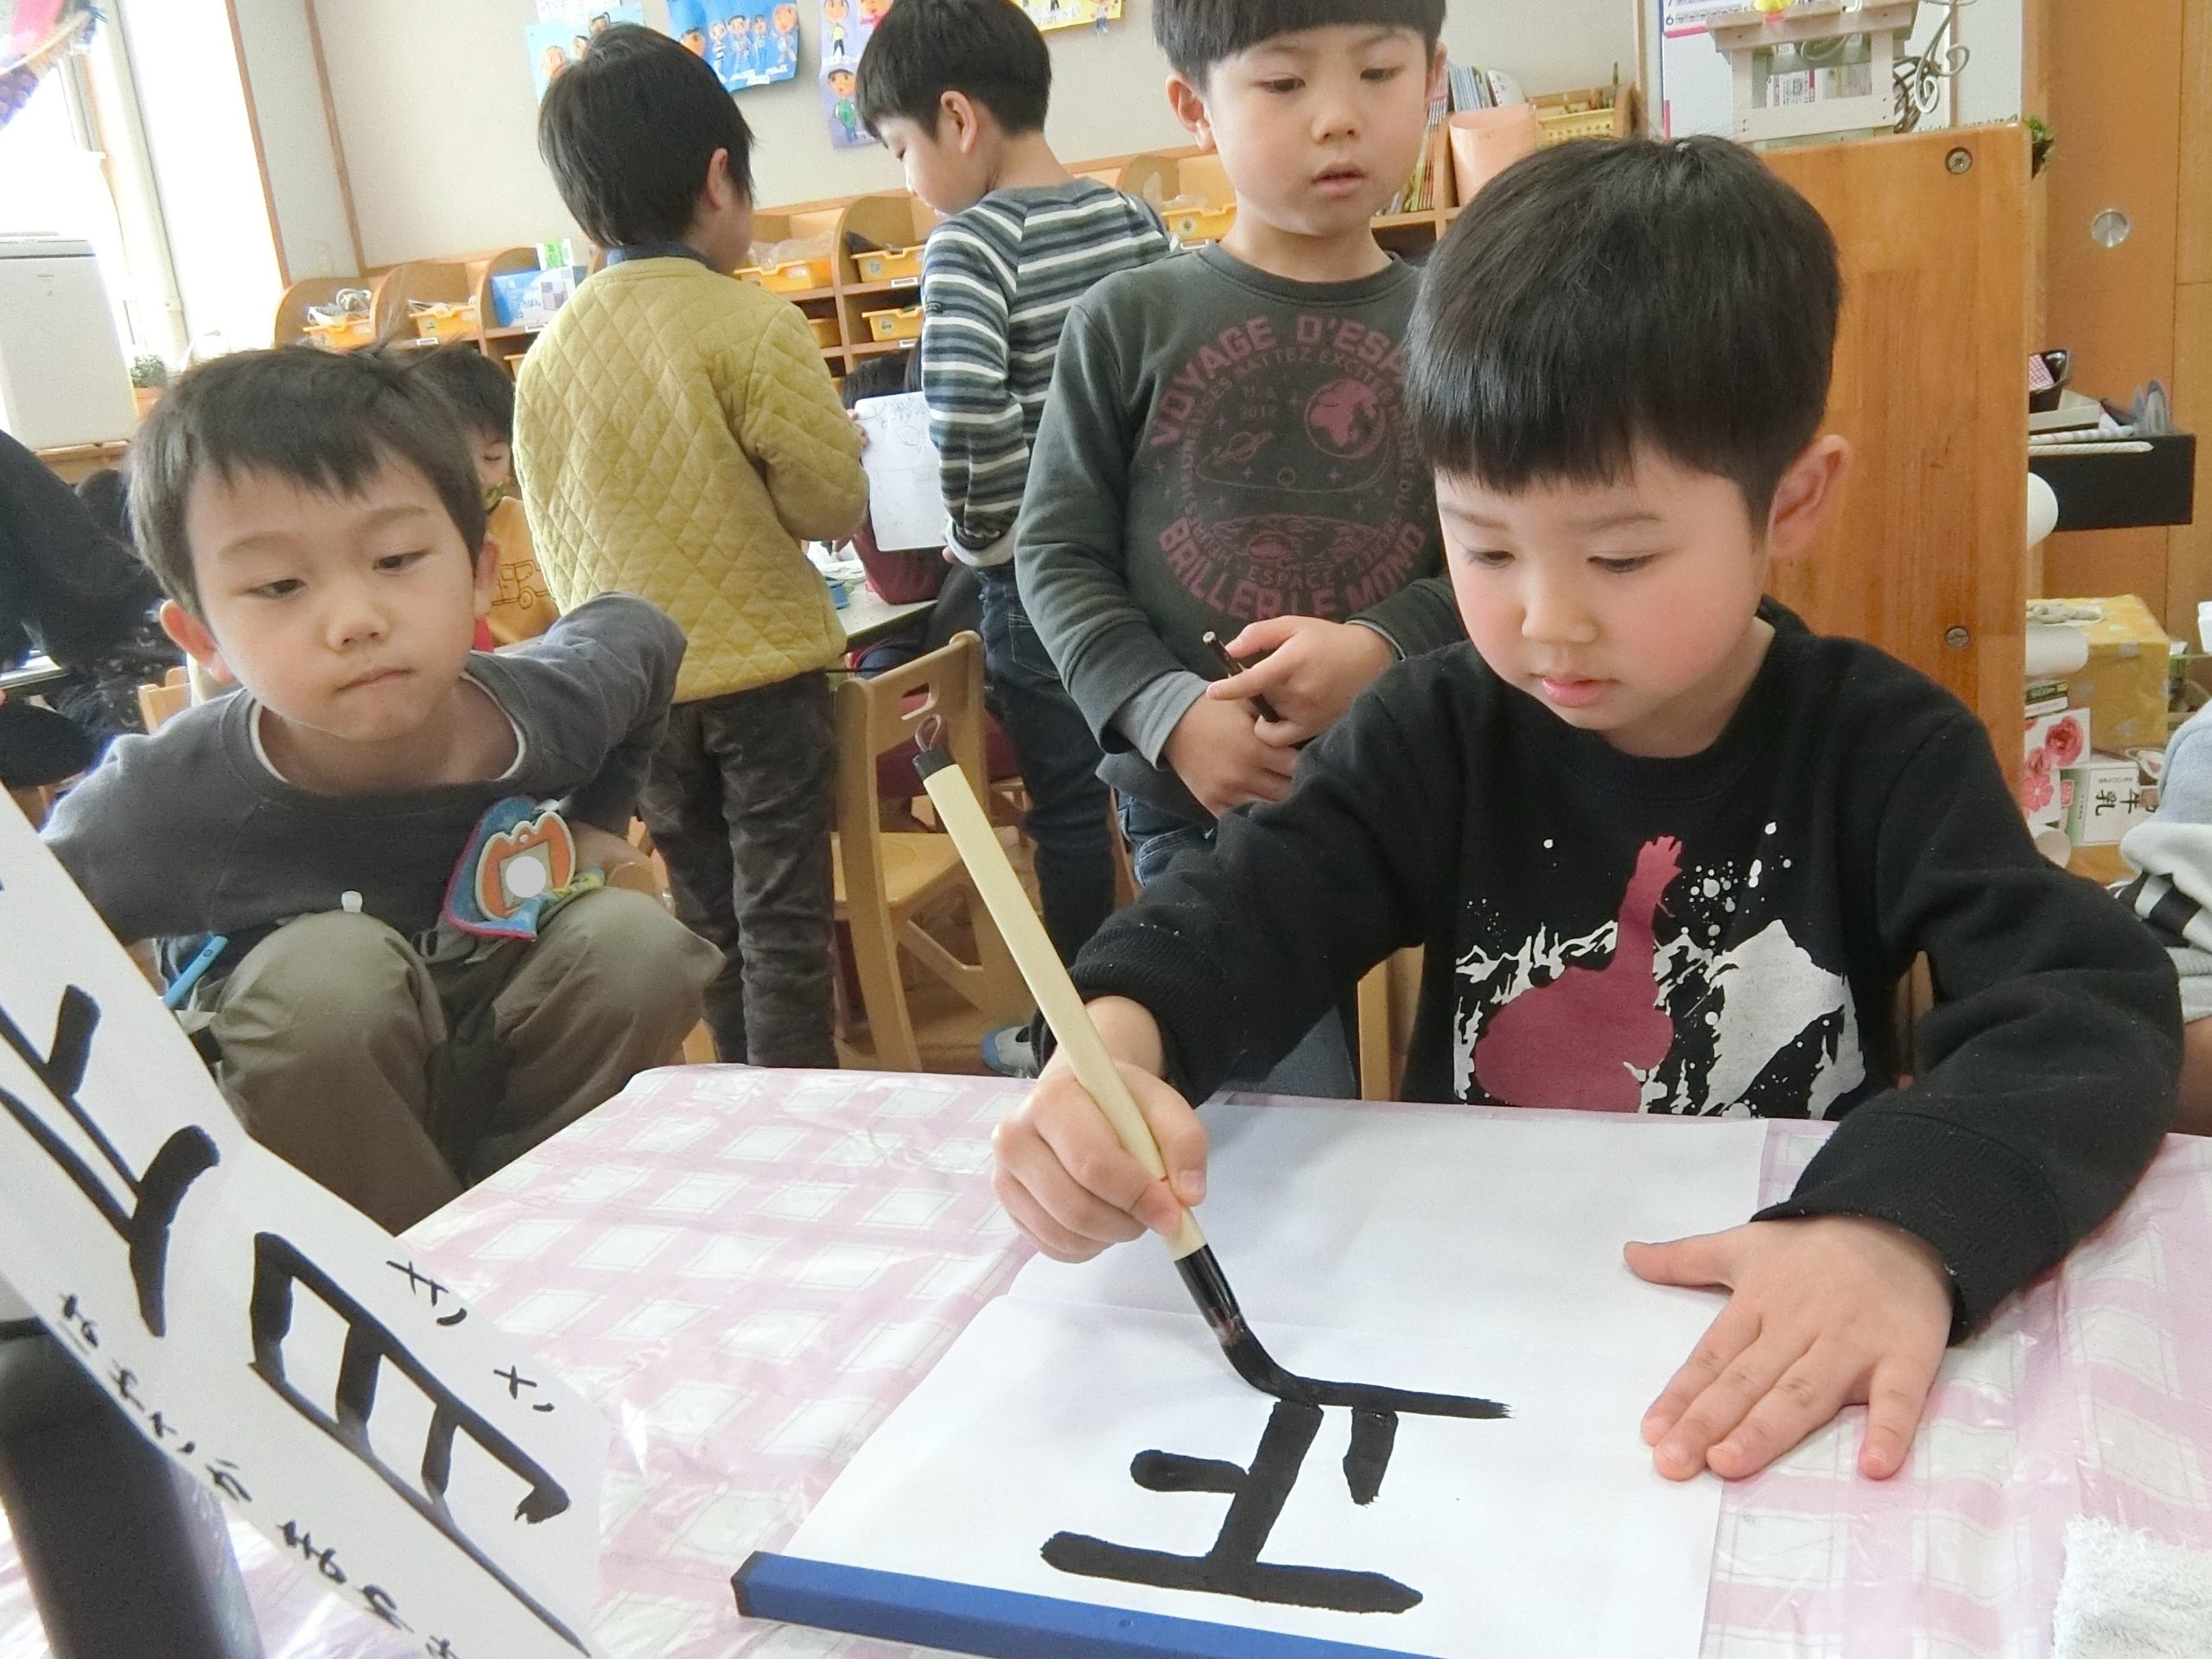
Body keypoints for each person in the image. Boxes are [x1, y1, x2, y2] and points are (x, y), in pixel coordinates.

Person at [989, 137, 2179, 1485]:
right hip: (1484, 1337)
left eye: (1621, 555)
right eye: (1485, 545)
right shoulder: (1434, 732)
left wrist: (1901, 1227)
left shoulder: (1882, 749)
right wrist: (1117, 1043)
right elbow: (1245, 912)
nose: (1547, 620)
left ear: (1792, 502)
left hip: (1768, 1345)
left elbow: (2086, 1006)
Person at [41, 347, 721, 1232]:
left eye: (397, 559)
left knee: (636, 942)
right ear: (203, 638)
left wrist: (597, 818)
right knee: (328, 982)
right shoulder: (169, 797)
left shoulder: (546, 706)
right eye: (280, 586)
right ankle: (407, 1262)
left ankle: (533, 1226)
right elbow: (32, 929)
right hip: (315, 1130)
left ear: (478, 573)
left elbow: (642, 637)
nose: (356, 620)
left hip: (505, 1039)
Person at [1015, 0, 1465, 1096]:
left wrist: (1380, 646)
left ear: (1432, 79)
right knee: (1271, 1104)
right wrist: (1168, 715)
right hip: (1199, 800)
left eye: (1376, 74)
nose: (1337, 118)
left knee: (1468, 1097)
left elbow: (1501, 554)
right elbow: (1057, 553)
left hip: (1417, 786)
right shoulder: (1129, 319)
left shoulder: (1457, 325)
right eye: (1283, 83)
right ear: (1194, 107)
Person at [517, 25, 868, 1068]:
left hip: (639, 693)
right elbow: (829, 505)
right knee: (785, 917)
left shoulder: (545, 358)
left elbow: (557, 536)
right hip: (765, 681)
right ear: (721, 179)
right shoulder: (751, 325)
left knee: (705, 916)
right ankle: (801, 1101)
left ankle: (747, 1110)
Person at [859, 0, 1169, 1071]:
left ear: (957, 119)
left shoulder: (968, 247)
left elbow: (966, 423)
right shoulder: (1133, 220)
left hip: (1040, 585)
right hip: (1148, 569)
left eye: (901, 149)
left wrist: (984, 541)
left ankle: (1074, 1039)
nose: (909, 180)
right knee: (1162, 796)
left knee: (1071, 814)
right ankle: (1171, 1004)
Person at [397, 343, 556, 647]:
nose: (478, 477)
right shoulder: (413, 541)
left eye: (493, 457)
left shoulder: (533, 522)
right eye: (457, 459)